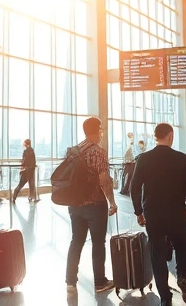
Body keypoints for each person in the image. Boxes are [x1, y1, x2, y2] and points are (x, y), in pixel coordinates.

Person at [129, 123, 186, 306]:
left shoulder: (144, 158)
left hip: (153, 213)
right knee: (181, 245)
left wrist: (138, 211)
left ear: (155, 137)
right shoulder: (180, 158)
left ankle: (165, 298)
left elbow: (134, 187)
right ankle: (182, 275)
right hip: (176, 212)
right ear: (171, 136)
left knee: (157, 253)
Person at [65, 117, 118, 295]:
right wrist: (112, 202)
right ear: (98, 131)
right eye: (101, 129)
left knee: (76, 241)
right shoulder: (99, 152)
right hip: (95, 205)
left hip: (74, 204)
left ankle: (70, 282)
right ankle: (100, 282)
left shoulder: (74, 151)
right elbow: (104, 181)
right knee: (98, 243)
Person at [11, 139, 38, 203]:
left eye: (24, 143)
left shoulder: (25, 151)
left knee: (20, 185)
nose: (23, 144)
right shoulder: (31, 151)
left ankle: (14, 197)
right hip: (30, 171)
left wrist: (22, 169)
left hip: (25, 171)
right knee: (31, 185)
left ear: (26, 144)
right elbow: (33, 162)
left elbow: (24, 161)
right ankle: (32, 197)